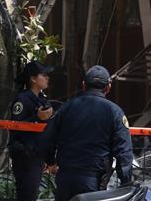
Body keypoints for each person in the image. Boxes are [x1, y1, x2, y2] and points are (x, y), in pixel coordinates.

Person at [41, 65, 133, 201]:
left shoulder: (66, 108)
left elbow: (47, 138)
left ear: (84, 85)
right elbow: (123, 151)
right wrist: (126, 182)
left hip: (65, 178)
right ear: (108, 87)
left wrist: (51, 162)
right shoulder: (115, 112)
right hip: (92, 182)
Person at [10, 61, 55, 201]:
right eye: (44, 75)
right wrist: (37, 117)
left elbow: (46, 131)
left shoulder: (41, 99)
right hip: (25, 156)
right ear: (33, 78)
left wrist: (50, 159)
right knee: (26, 196)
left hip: (37, 156)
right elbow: (15, 127)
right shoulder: (22, 99)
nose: (47, 78)